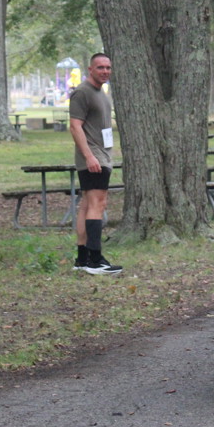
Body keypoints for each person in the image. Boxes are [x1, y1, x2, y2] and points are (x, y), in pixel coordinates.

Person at [70, 52, 121, 275]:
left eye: (108, 67)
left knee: (87, 205)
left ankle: (82, 258)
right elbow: (75, 126)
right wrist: (89, 156)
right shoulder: (83, 92)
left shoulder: (101, 92)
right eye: (100, 67)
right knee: (97, 204)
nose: (105, 71)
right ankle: (95, 259)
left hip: (102, 155)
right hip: (93, 157)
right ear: (90, 69)